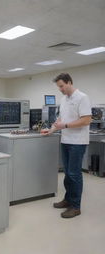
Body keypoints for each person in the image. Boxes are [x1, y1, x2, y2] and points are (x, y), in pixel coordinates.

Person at [42, 73, 91, 218]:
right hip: (66, 140)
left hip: (77, 142)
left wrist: (66, 125)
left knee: (74, 174)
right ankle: (68, 199)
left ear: (69, 82)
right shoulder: (63, 100)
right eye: (59, 87)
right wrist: (50, 130)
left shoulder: (82, 98)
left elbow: (86, 120)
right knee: (67, 174)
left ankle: (76, 206)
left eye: (62, 86)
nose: (60, 89)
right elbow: (60, 120)